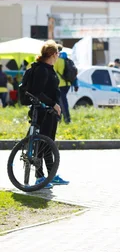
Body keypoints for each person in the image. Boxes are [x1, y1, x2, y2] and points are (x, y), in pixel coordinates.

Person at [27, 41, 70, 188]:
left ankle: (51, 174)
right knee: (41, 144)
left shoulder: (48, 69)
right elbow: (37, 92)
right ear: (52, 54)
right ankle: (39, 177)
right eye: (57, 53)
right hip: (42, 112)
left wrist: (55, 107)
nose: (58, 56)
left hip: (50, 113)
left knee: (49, 144)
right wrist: (54, 104)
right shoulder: (41, 70)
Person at [55, 48, 78, 124]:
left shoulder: (58, 61)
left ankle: (66, 119)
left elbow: (53, 72)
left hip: (60, 84)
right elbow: (75, 74)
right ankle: (60, 119)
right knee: (61, 102)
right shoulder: (69, 61)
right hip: (68, 85)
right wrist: (75, 85)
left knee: (62, 102)